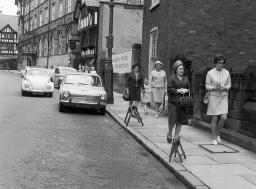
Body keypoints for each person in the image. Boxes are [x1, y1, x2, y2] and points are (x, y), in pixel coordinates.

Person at [205, 54, 231, 145]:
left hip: (223, 97)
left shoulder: (227, 72)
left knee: (224, 117)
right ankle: (214, 137)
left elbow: (229, 84)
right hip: (213, 97)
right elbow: (207, 85)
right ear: (215, 63)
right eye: (219, 63)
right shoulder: (210, 73)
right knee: (214, 118)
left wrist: (225, 87)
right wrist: (213, 88)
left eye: (222, 63)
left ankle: (217, 133)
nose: (221, 65)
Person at [167, 60, 190, 143]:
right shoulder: (171, 78)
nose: (181, 70)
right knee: (172, 121)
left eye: (182, 69)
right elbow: (169, 89)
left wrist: (186, 90)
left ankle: (176, 137)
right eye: (180, 69)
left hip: (182, 103)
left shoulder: (186, 79)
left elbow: (190, 89)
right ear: (176, 70)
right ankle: (169, 133)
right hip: (173, 102)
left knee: (179, 121)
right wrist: (178, 91)